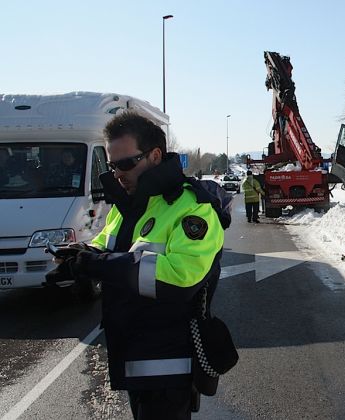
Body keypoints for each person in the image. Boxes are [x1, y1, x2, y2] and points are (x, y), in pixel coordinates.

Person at [45, 112, 224, 419]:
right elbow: (106, 244)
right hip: (133, 355)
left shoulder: (193, 207)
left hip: (169, 365)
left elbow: (180, 278)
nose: (117, 173)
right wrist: (78, 255)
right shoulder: (128, 205)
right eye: (112, 165)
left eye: (126, 163)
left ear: (155, 156)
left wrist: (96, 265)